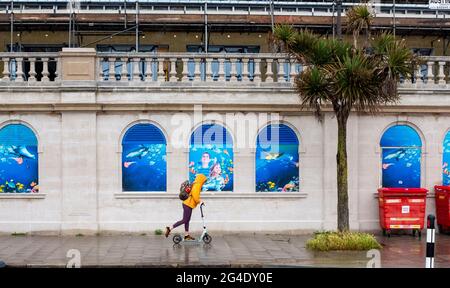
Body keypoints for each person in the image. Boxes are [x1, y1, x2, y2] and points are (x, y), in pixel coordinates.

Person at [165, 174, 207, 240]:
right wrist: (200, 202)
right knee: (185, 220)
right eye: (204, 181)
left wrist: (199, 201)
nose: (204, 182)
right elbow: (195, 195)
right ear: (201, 179)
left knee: (187, 220)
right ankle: (169, 228)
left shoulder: (196, 184)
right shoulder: (197, 185)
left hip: (188, 204)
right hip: (188, 204)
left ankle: (186, 235)